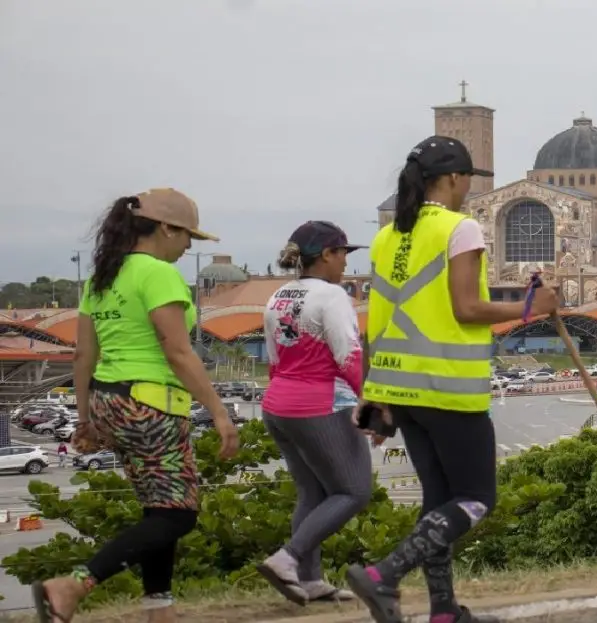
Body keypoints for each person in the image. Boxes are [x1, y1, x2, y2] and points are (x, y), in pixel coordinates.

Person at [346, 136, 559, 623]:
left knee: (438, 501)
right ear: (455, 179)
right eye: (467, 180)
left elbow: (377, 320)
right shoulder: (459, 229)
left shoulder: (386, 237)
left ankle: (443, 609)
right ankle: (384, 575)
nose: (467, 189)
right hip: (447, 385)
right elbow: (467, 308)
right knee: (477, 498)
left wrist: (376, 395)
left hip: (401, 390)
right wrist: (531, 309)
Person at [31, 189, 239, 623]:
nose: (187, 247)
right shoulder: (158, 274)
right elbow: (178, 352)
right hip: (151, 403)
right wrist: (219, 411)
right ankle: (73, 585)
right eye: (187, 237)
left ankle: (158, 608)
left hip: (110, 399)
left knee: (158, 509)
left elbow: (82, 357)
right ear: (166, 228)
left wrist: (85, 419)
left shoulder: (103, 277)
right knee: (178, 516)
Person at [255, 221, 373, 605]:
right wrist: (372, 404)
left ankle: (309, 580)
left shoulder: (278, 296)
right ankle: (287, 559)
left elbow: (274, 361)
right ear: (326, 254)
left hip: (277, 404)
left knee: (313, 490)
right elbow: (350, 357)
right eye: (343, 254)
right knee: (354, 490)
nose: (345, 263)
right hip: (318, 405)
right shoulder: (333, 296)